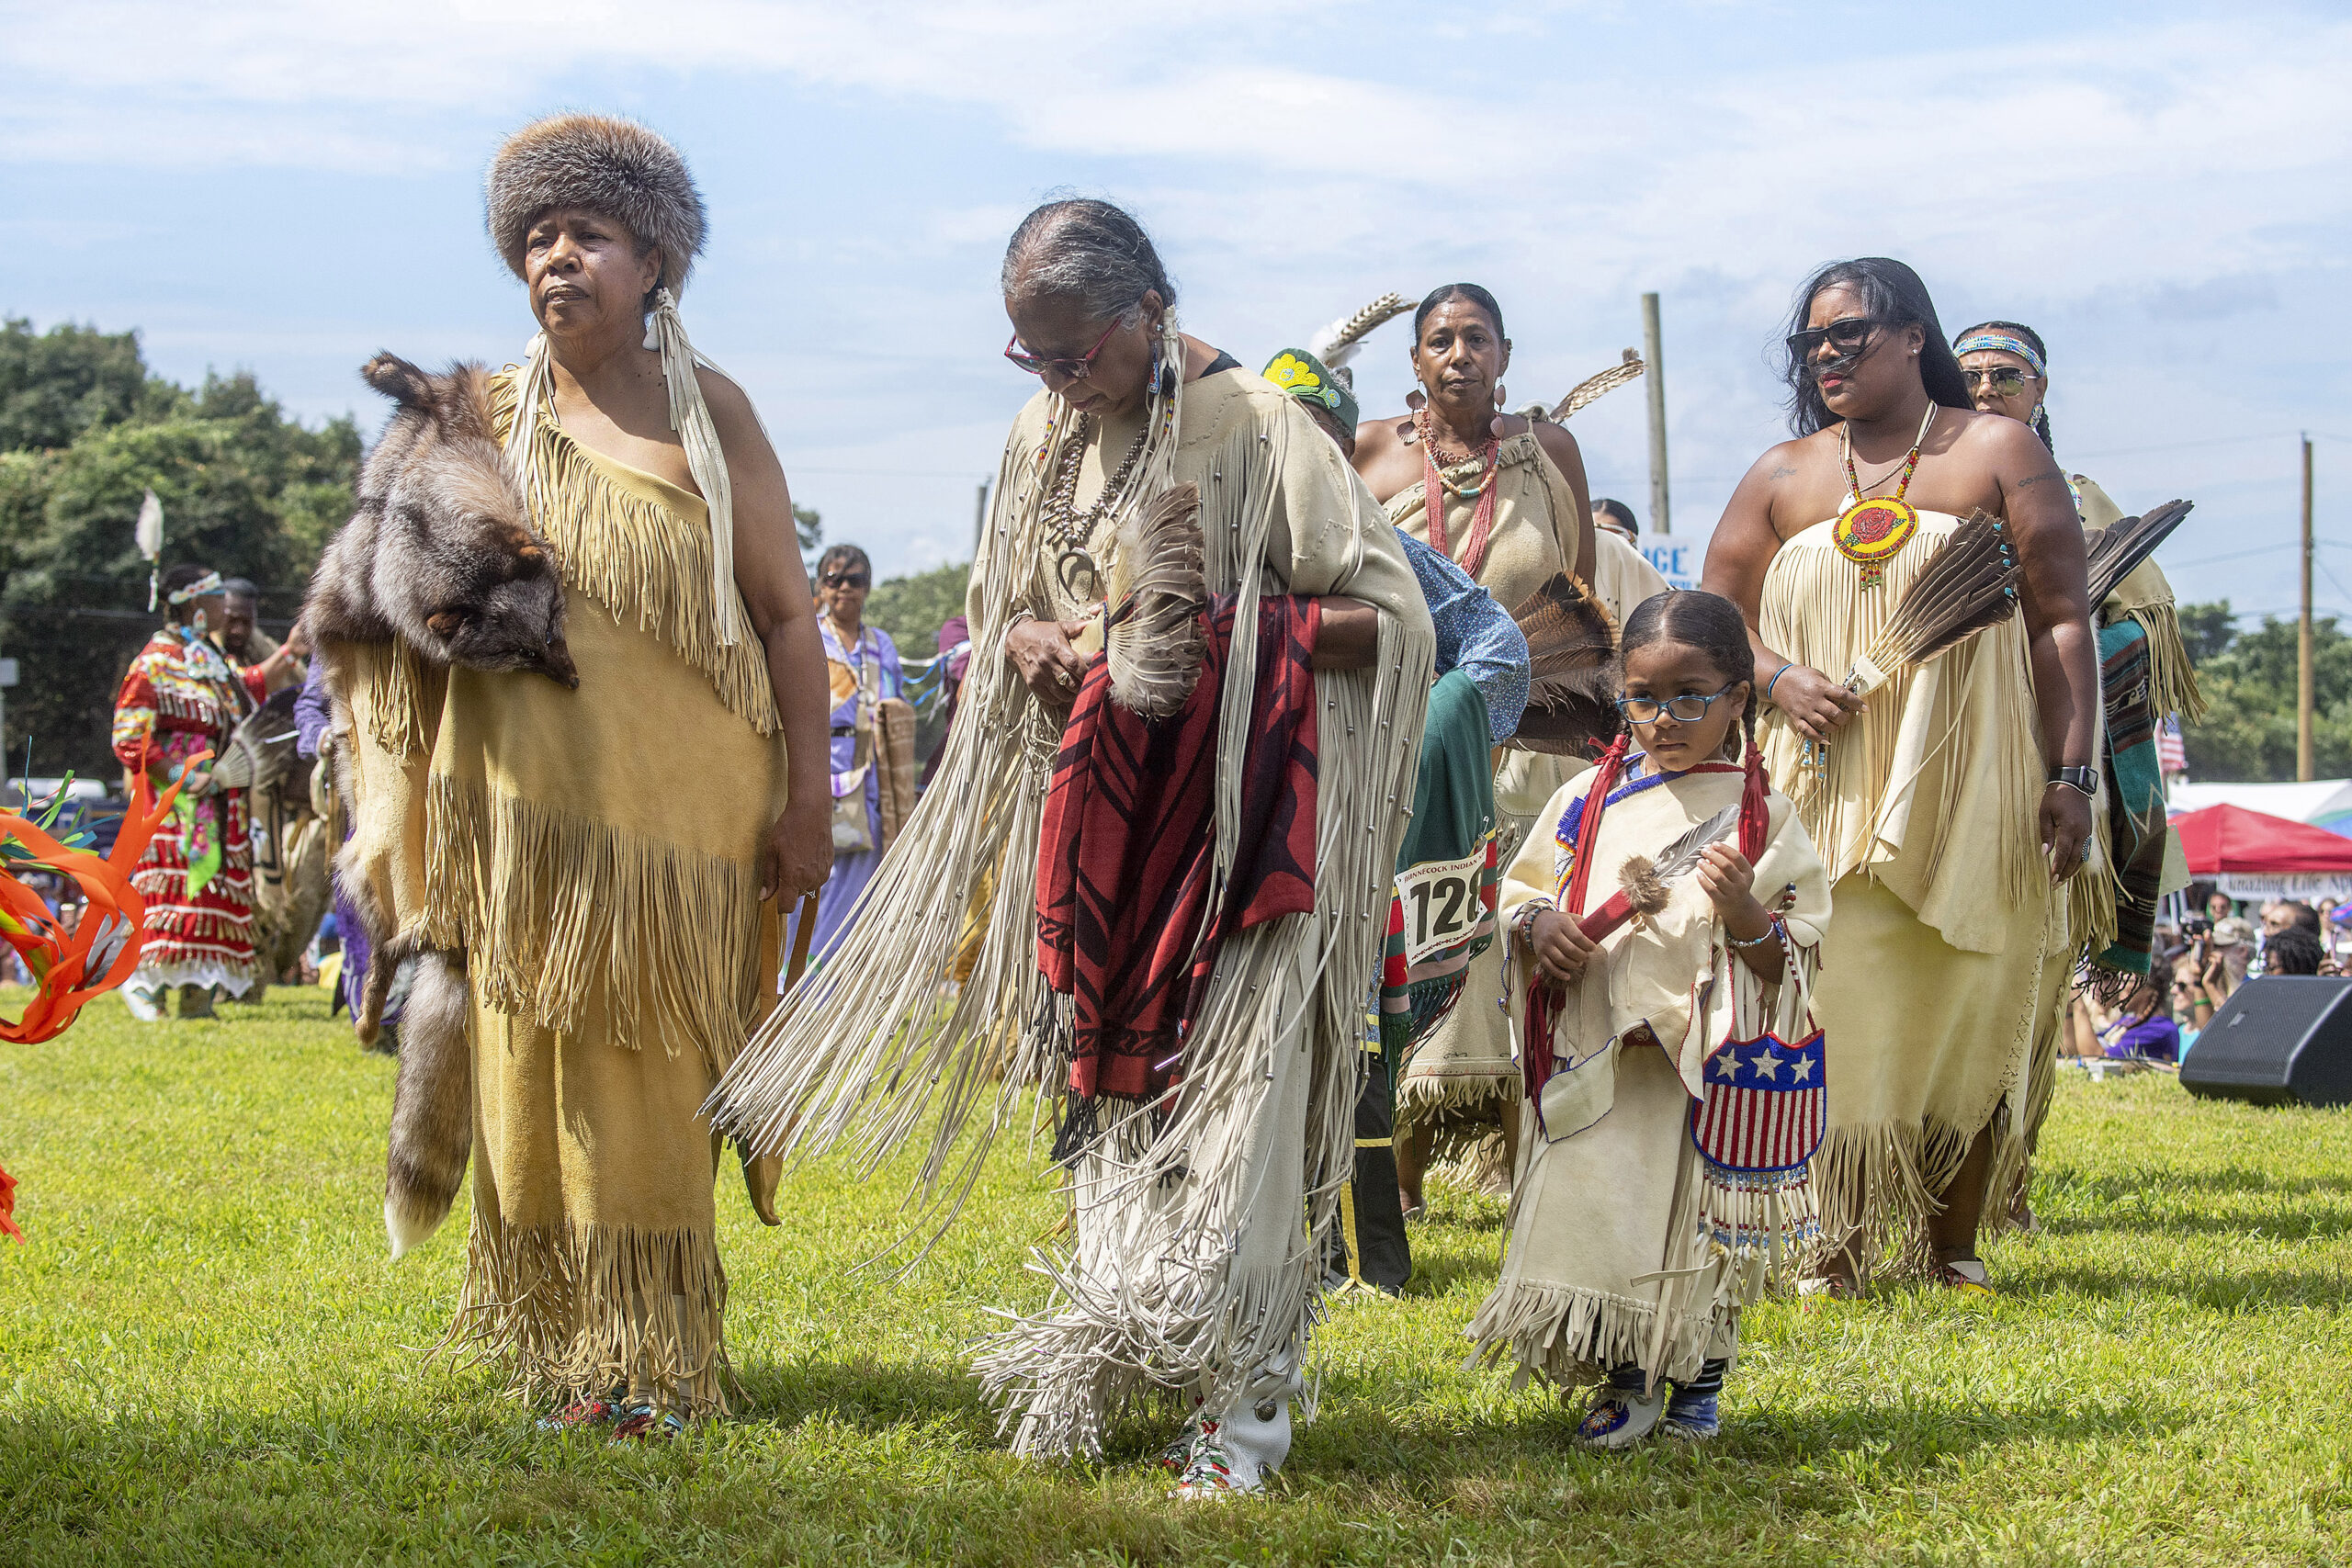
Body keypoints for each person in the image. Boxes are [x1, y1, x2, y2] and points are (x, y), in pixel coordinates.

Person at [709, 198, 1433, 1494]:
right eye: (1030, 360)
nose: (1057, 383)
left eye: (1076, 354)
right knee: (1108, 1099)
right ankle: (1133, 1345)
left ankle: (1244, 1405)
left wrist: (1207, 643)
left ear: (1151, 309)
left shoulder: (1261, 433)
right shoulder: (1045, 432)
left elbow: (1391, 619)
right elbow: (1010, 610)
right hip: (1095, 829)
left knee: (1243, 1118)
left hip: (1245, 836)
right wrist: (1029, 645)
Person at [329, 114, 832, 1433]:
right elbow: (379, 615)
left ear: (656, 258)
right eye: (537, 236)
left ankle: (651, 1358)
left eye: (589, 233)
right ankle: (564, 1343)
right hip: (517, 828)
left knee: (649, 1080)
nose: (559, 257)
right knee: (527, 1073)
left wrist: (809, 804)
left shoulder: (712, 414)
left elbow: (787, 616)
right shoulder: (474, 419)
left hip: (679, 833)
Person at [1702, 258, 2100, 1296]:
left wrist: (2075, 776)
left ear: (1912, 335)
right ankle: (1824, 1244)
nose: (1826, 355)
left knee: (1969, 986)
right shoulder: (1783, 474)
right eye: (1811, 343)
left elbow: (2061, 617)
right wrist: (1778, 678)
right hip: (1820, 780)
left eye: (1849, 335)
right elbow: (1712, 627)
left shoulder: (1995, 451)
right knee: (1835, 993)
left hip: (1975, 773)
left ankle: (1950, 1242)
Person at [1473, 589, 1832, 1445]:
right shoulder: (1583, 804)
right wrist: (1539, 925)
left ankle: (1698, 1380)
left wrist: (1747, 911)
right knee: (1606, 1214)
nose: (1664, 718)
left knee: (1697, 1227)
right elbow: (1521, 895)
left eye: (1690, 696)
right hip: (1595, 1054)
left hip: (1702, 1069)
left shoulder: (1763, 817)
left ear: (1739, 698)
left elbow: (1796, 955)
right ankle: (1626, 1376)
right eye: (1643, 698)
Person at [1351, 285, 1643, 1215]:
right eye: (1439, 340)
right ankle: (1389, 1175)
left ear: (1506, 354)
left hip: (1527, 748)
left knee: (1522, 939)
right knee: (1403, 933)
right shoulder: (1370, 452)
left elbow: (1580, 602)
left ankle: (1532, 1171)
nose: (1459, 354)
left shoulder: (1546, 451)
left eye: (1477, 338)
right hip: (1399, 741)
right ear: (1414, 363)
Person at [1265, 344, 1531, 1294]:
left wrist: (1428, 742)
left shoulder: (1381, 550)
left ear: (1342, 453)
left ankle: (1364, 1250)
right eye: (1278, 440)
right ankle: (1263, 1244)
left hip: (1356, 826)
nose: (1299, 461)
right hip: (1243, 829)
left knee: (1353, 1030)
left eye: (1320, 442)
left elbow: (1493, 649)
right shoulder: (1207, 536)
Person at [112, 564, 299, 1019]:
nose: (223, 605)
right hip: (173, 807)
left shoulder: (209, 658)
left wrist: (291, 651)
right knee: (172, 895)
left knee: (212, 894)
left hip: (222, 802)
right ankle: (144, 985)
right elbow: (130, 734)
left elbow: (247, 688)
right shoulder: (155, 661)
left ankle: (196, 993)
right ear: (195, 605)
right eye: (216, 597)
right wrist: (177, 775)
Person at [789, 543, 906, 964]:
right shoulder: (804, 636)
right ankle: (788, 981)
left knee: (854, 887)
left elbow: (895, 710)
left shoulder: (880, 645)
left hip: (866, 780)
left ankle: (828, 986)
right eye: (833, 579)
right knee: (805, 876)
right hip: (813, 769)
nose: (843, 589)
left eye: (854, 580)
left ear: (867, 588)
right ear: (819, 586)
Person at [218, 579, 307, 695]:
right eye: (232, 620)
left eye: (246, 622)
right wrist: (290, 653)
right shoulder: (202, 651)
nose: (238, 630)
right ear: (218, 613)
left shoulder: (263, 646)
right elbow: (241, 687)